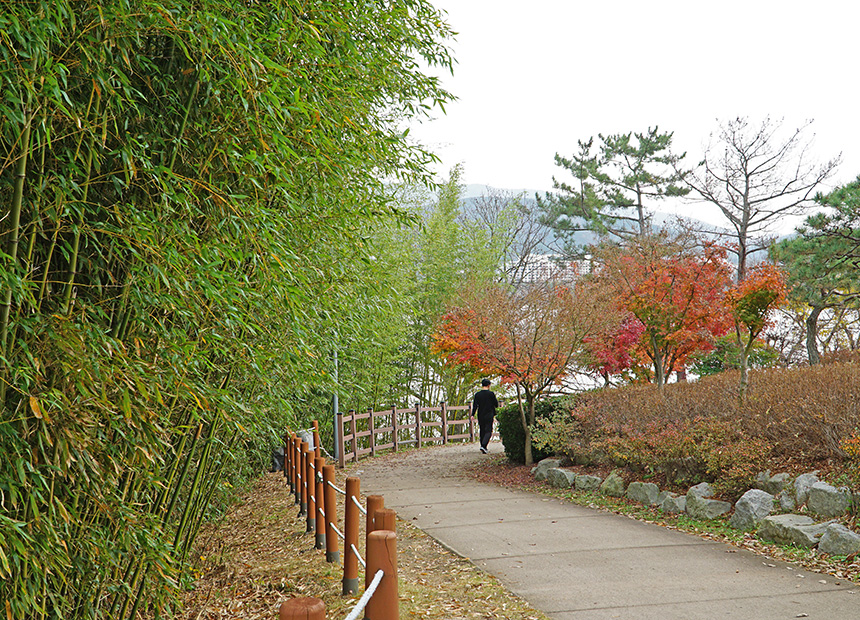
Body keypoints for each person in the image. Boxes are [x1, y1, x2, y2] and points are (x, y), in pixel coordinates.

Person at [472, 378, 499, 454]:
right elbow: (496, 404)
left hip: (481, 414)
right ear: (488, 385)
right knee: (488, 431)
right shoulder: (491, 394)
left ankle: (483, 447)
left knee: (482, 430)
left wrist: (472, 414)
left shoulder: (477, 394)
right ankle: (483, 446)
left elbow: (475, 406)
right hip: (489, 414)